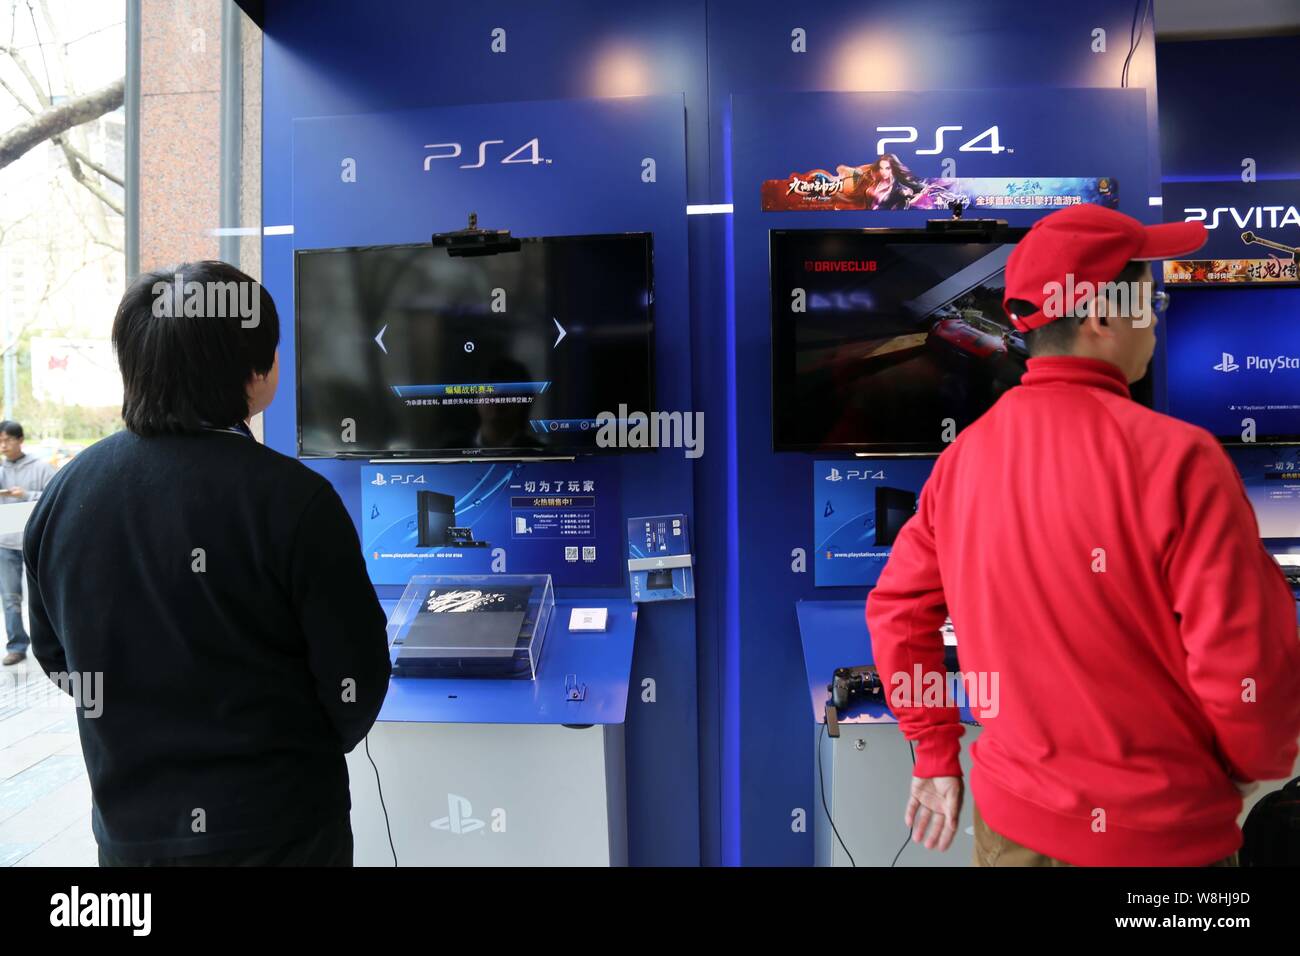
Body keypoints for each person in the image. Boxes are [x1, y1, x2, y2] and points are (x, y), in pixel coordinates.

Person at [866, 204, 1300, 867]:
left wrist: (933, 753)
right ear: (1101, 317)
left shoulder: (964, 459)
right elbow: (1245, 659)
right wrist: (1253, 765)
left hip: (1011, 830)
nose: (1156, 316)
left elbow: (898, 615)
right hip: (1162, 839)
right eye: (1148, 299)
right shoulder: (1182, 458)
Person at [24, 261, 392, 866]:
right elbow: (355, 673)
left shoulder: (66, 492)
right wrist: (305, 747)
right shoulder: (294, 499)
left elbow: (58, 657)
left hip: (132, 833)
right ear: (257, 370)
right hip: (281, 829)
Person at [0, 420, 54, 666]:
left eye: (7, 440)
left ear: (20, 440)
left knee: (45, 594)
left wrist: (26, 495)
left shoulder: (41, 468)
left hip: (36, 542)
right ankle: (17, 645)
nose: (3, 445)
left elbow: (57, 496)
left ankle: (54, 642)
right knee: (10, 597)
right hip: (4, 543)